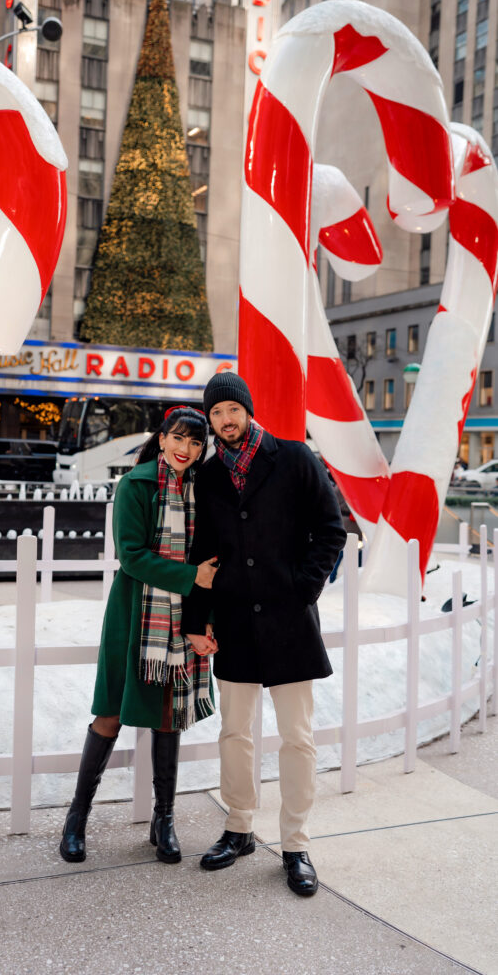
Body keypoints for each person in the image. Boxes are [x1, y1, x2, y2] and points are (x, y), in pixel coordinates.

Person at [183, 372, 346, 896]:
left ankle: (296, 844)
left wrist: (303, 588)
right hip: (234, 621)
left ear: (248, 411)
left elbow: (331, 529)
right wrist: (197, 620)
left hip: (289, 620)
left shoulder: (294, 458)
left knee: (297, 736)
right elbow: (203, 551)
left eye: (232, 409)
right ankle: (238, 828)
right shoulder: (209, 475)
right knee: (235, 732)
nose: (225, 420)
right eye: (216, 413)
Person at [59, 406, 219, 865]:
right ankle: (76, 818)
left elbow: (212, 560)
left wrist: (204, 617)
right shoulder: (136, 485)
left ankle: (163, 819)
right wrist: (191, 577)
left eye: (195, 442)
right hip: (134, 616)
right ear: (162, 438)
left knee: (168, 717)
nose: (185, 449)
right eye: (178, 438)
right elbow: (130, 556)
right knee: (109, 714)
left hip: (181, 618)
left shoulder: (203, 490)